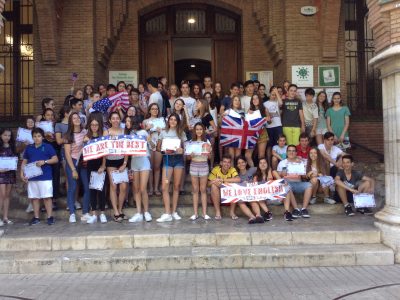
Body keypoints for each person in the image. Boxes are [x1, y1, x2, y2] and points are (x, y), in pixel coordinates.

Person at [21, 128, 58, 225]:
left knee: (47, 197)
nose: (37, 138)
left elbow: (55, 159)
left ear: (42, 137)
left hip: (45, 176)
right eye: (34, 136)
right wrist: (22, 173)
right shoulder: (29, 148)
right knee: (35, 198)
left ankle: (50, 217)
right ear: (32, 137)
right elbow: (24, 161)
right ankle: (36, 217)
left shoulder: (48, 146)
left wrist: (44, 162)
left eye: (39, 136)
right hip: (32, 177)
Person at [156, 113, 187, 222]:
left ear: (178, 122)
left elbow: (186, 148)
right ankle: (167, 212)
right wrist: (164, 150)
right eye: (171, 119)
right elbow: (158, 148)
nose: (173, 121)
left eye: (175, 120)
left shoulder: (181, 133)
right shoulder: (163, 132)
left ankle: (174, 212)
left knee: (176, 186)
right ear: (168, 121)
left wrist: (182, 150)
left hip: (178, 160)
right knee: (165, 187)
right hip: (167, 160)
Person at [64, 112, 90, 223]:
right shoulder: (67, 135)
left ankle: (85, 212)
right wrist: (73, 169)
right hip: (72, 162)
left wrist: (87, 140)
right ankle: (72, 213)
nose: (76, 119)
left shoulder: (85, 132)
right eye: (74, 118)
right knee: (72, 187)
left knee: (87, 187)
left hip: (83, 161)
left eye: (78, 117)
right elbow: (67, 154)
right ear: (70, 121)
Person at [103, 112, 129, 222]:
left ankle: (120, 209)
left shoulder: (124, 131)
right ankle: (116, 212)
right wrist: (104, 164)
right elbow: (103, 149)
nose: (115, 120)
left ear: (120, 120)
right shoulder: (106, 132)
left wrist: (125, 163)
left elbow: (128, 148)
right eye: (113, 118)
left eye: (117, 118)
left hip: (122, 161)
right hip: (110, 161)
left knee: (123, 187)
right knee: (113, 186)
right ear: (110, 120)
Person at [83, 115, 107, 224]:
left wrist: (103, 166)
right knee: (92, 190)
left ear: (99, 125)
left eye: (96, 125)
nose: (94, 127)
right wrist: (86, 142)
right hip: (90, 166)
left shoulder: (103, 136)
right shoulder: (86, 137)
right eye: (92, 125)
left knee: (101, 190)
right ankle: (94, 214)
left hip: (101, 165)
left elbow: (105, 154)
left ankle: (102, 213)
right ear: (89, 126)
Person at [277, 145, 312, 218]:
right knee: (287, 186)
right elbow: (278, 176)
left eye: (293, 151)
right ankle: (296, 209)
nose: (291, 152)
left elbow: (304, 176)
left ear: (296, 153)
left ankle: (304, 209)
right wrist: (282, 174)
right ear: (286, 152)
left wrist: (303, 171)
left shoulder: (301, 162)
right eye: (289, 151)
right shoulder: (282, 163)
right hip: (288, 183)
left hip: (298, 183)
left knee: (309, 185)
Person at [128, 119, 152, 223]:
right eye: (128, 121)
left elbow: (152, 146)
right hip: (134, 161)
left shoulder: (143, 132)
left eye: (132, 121)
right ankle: (138, 212)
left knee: (143, 189)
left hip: (143, 160)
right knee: (136, 188)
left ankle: (146, 212)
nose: (131, 123)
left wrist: (150, 140)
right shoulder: (127, 134)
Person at [187, 122, 212, 220]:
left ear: (203, 130)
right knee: (195, 190)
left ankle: (204, 213)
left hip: (204, 165)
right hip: (194, 165)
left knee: (203, 190)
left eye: (200, 129)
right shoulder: (190, 142)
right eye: (197, 129)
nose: (199, 131)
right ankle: (195, 213)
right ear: (194, 130)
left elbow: (209, 157)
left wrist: (209, 152)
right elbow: (188, 157)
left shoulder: (207, 142)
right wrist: (191, 155)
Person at [208, 155, 241, 219]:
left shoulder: (232, 169)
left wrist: (223, 180)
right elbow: (208, 183)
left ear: (230, 164)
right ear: (221, 163)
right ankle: (218, 212)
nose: (226, 164)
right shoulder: (216, 169)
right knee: (213, 186)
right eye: (225, 162)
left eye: (228, 162)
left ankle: (232, 212)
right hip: (217, 196)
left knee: (234, 185)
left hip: (228, 197)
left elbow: (238, 179)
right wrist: (215, 181)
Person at [143, 103, 163, 196]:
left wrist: (161, 131)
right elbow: (142, 135)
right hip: (149, 145)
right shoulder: (145, 121)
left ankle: (156, 188)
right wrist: (147, 129)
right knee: (150, 168)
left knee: (157, 167)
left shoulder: (162, 120)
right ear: (149, 110)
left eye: (156, 109)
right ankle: (150, 188)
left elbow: (164, 133)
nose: (155, 110)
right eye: (153, 109)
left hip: (159, 144)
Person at [0, 129, 17, 226]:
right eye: (5, 135)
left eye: (9, 135)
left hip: (10, 174)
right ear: (1, 135)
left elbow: (14, 159)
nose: (7, 137)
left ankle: (5, 217)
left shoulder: (12, 146)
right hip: (1, 174)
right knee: (1, 195)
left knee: (7, 196)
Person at [234, 156, 258, 221]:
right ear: (237, 165)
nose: (241, 164)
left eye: (242, 162)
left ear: (246, 163)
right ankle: (252, 217)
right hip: (242, 196)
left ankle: (259, 216)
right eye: (239, 163)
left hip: (252, 194)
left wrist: (255, 177)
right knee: (239, 201)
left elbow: (264, 167)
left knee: (252, 199)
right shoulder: (236, 175)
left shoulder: (252, 170)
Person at [264, 86, 283, 164]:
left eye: (275, 95)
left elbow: (281, 103)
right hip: (269, 127)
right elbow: (267, 115)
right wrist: (270, 115)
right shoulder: (265, 103)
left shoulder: (277, 102)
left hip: (278, 126)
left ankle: (278, 162)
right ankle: (269, 162)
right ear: (269, 94)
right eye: (272, 94)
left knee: (278, 145)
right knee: (269, 146)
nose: (274, 96)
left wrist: (277, 93)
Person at [223, 95, 245, 161]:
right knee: (231, 155)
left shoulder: (242, 112)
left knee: (238, 155)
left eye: (238, 100)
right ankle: (232, 170)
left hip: (239, 134)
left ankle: (238, 170)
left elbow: (244, 124)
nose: (237, 102)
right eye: (235, 100)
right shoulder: (228, 111)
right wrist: (223, 116)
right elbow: (221, 122)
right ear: (232, 102)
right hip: (230, 134)